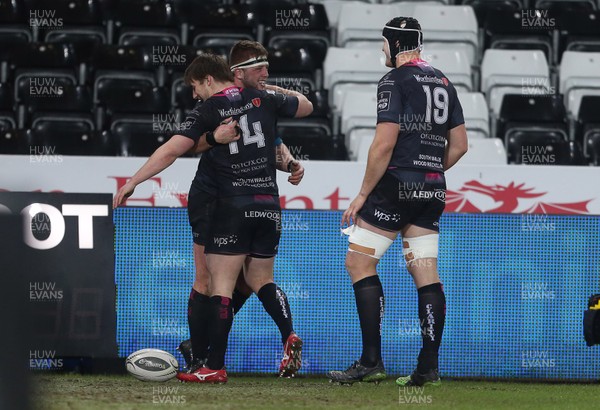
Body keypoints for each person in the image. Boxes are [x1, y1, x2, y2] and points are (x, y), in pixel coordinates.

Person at [145, 53, 309, 384]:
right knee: (255, 280)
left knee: (211, 283)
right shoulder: (259, 101)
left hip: (221, 202)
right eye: (260, 69)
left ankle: (207, 360)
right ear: (238, 72)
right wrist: (290, 162)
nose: (264, 74)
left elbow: (176, 149)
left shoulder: (215, 106)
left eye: (194, 87)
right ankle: (286, 334)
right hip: (268, 203)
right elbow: (290, 120)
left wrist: (133, 182)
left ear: (212, 79)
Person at [327, 17, 468, 386]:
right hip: (433, 187)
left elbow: (383, 143)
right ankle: (428, 367)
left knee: (359, 262)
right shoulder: (443, 81)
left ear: (394, 43)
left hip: (396, 185)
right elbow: (461, 145)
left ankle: (371, 361)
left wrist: (361, 194)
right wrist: (429, 171)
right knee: (425, 273)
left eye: (383, 43)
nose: (381, 50)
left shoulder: (393, 80)